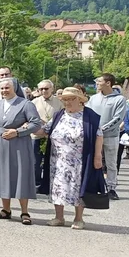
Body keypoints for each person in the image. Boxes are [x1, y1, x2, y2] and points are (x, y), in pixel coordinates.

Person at [38, 86, 105, 230]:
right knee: (57, 188)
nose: (67, 102)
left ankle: (79, 218)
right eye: (65, 99)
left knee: (78, 188)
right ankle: (59, 217)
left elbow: (99, 135)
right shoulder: (59, 115)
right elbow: (44, 130)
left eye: (71, 99)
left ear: (80, 100)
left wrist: (98, 156)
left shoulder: (90, 116)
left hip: (80, 159)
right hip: (58, 160)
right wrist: (27, 126)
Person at [0, 78, 42, 225]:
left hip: (18, 145)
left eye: (7, 88)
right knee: (3, 176)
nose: (4, 91)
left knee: (20, 175)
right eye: (2, 88)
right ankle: (6, 209)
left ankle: (24, 212)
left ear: (14, 88)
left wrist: (18, 131)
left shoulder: (25, 104)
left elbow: (36, 123)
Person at [87, 73, 128, 200]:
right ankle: (92, 186)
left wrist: (102, 129)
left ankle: (111, 188)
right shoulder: (93, 98)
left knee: (111, 163)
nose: (97, 83)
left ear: (108, 83)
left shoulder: (119, 99)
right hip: (94, 136)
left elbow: (118, 118)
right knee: (92, 161)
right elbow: (87, 114)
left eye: (99, 81)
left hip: (110, 136)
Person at [32, 79, 62, 188]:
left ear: (52, 89)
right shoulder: (33, 102)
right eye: (41, 89)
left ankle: (49, 184)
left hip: (52, 137)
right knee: (36, 162)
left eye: (46, 88)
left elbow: (62, 117)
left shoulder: (59, 102)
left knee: (51, 161)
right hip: (36, 136)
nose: (44, 91)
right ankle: (36, 183)